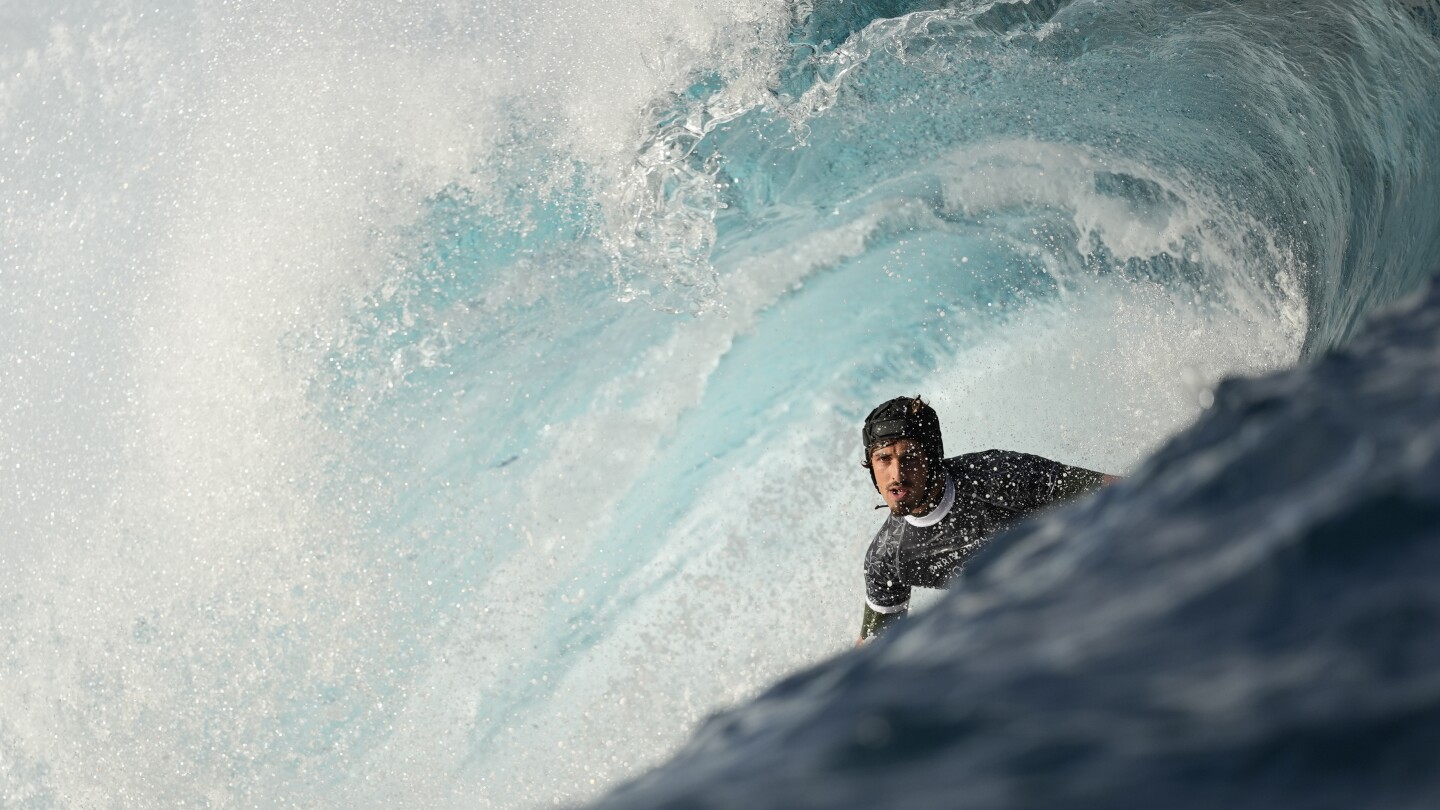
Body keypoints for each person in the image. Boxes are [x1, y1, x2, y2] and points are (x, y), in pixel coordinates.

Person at [857, 396, 1119, 644]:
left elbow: (1115, 490)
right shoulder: (887, 558)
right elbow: (873, 650)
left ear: (933, 456)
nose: (897, 473)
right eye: (883, 459)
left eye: (910, 457)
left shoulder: (996, 475)